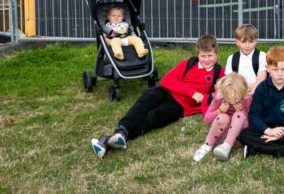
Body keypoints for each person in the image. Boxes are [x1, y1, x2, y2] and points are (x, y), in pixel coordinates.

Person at [90, 35, 224, 158]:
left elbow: (218, 95)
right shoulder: (190, 63)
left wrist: (206, 98)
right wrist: (191, 92)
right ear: (198, 54)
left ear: (216, 54)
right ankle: (121, 130)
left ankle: (108, 142)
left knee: (153, 117)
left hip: (179, 106)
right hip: (166, 91)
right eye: (203, 56)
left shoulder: (220, 72)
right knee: (145, 99)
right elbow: (167, 80)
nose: (206, 60)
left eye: (210, 56)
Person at [237, 46, 284, 163]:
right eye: (275, 69)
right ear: (267, 68)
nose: (280, 74)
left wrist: (283, 130)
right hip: (265, 128)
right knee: (244, 135)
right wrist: (268, 131)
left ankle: (256, 148)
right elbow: (254, 115)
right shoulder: (261, 88)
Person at [194, 73, 252, 162]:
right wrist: (219, 111)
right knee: (223, 117)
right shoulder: (218, 98)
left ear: (243, 93)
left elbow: (251, 121)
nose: (232, 101)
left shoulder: (247, 99)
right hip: (220, 137)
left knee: (238, 115)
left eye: (236, 98)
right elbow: (206, 120)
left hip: (238, 138)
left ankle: (226, 147)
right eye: (228, 97)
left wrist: (242, 111)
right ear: (222, 92)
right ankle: (207, 146)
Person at [225, 24, 267, 94]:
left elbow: (261, 81)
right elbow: (229, 81)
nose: (247, 46)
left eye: (251, 42)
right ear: (237, 42)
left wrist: (250, 94)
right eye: (243, 42)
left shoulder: (262, 56)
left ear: (256, 41)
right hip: (237, 93)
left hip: (258, 93)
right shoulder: (232, 58)